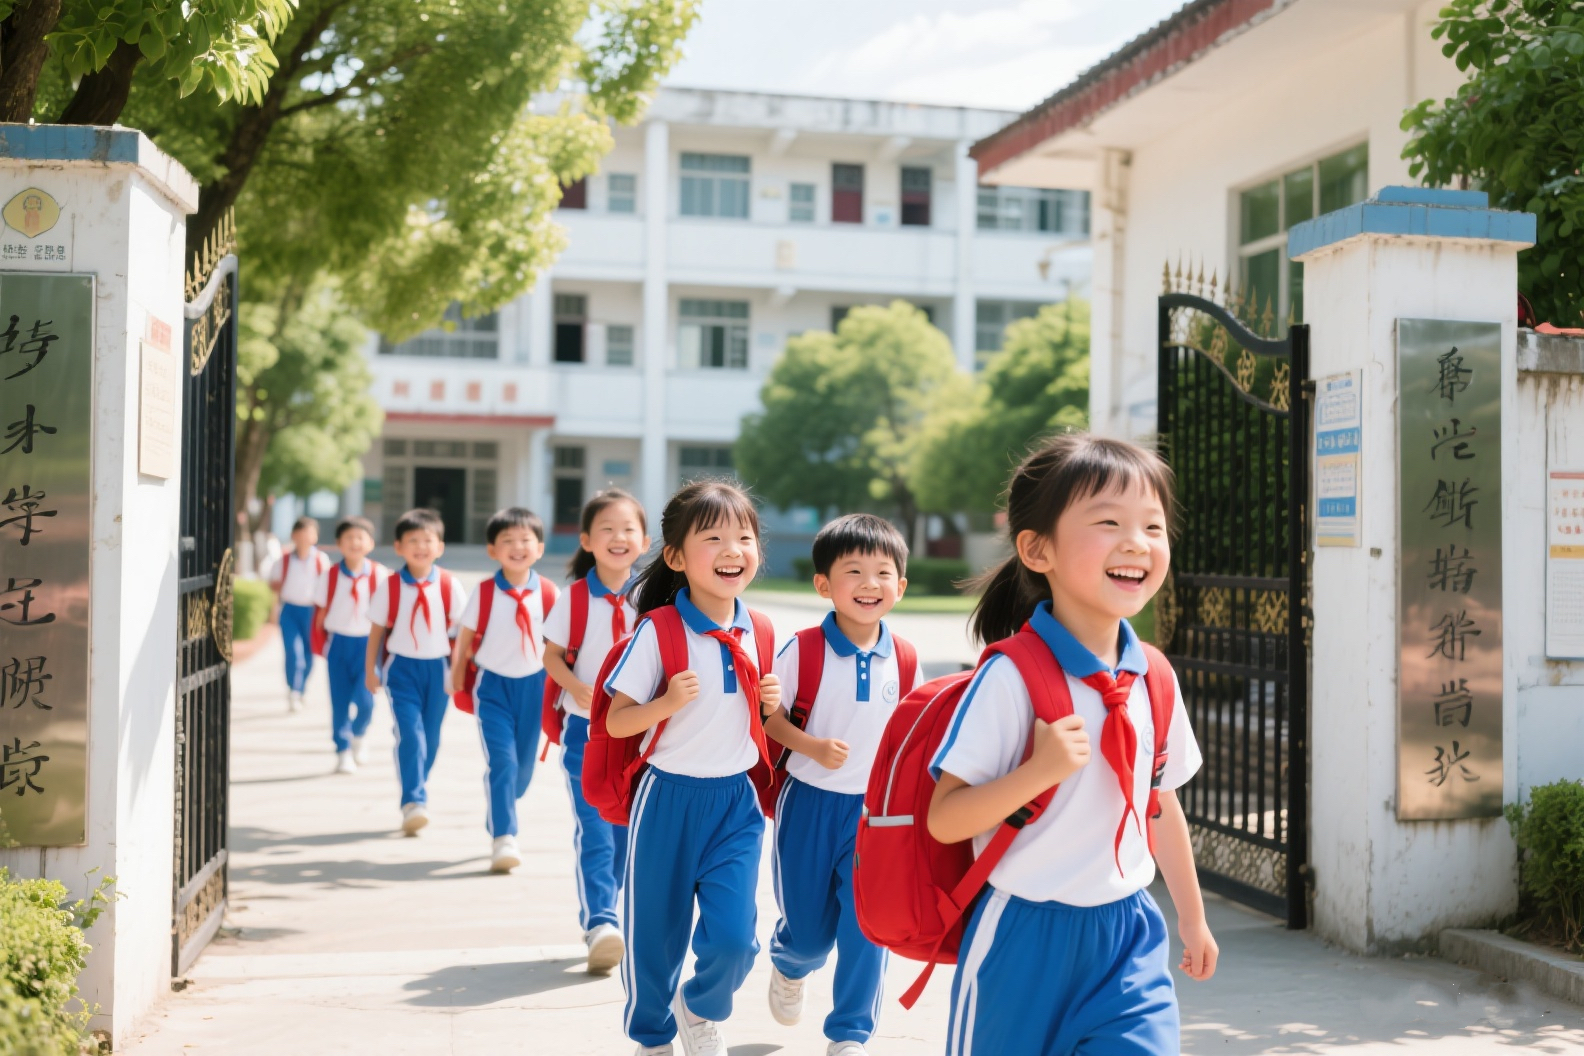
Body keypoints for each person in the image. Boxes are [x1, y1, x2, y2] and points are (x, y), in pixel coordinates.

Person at [927, 433, 1217, 1056]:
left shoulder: (1154, 678)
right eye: (1108, 522)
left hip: (1127, 933)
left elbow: (1158, 803)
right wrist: (1039, 771)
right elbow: (947, 818)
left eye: (1153, 526)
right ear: (1037, 549)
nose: (1136, 542)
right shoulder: (1011, 677)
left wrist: (1191, 919)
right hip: (1021, 936)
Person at [604, 480, 780, 1056]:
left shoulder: (761, 629)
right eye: (714, 538)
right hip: (667, 801)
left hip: (735, 802)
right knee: (655, 935)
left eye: (744, 537)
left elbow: (757, 718)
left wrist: (771, 705)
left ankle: (699, 1007)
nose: (733, 550)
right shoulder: (658, 631)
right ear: (676, 557)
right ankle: (652, 1037)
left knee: (736, 940)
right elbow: (617, 723)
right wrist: (665, 704)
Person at [760, 514, 920, 1056]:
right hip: (807, 806)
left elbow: (913, 733)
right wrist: (813, 748)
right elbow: (770, 720)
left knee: (868, 928)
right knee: (808, 933)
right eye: (854, 571)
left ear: (900, 585)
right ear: (824, 585)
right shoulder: (801, 650)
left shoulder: (905, 658)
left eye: (882, 572)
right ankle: (789, 962)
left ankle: (850, 1034)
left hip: (874, 816)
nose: (869, 584)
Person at [542, 488, 650, 973]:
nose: (618, 537)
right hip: (585, 733)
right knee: (595, 831)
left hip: (640, 737)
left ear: (645, 540)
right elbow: (550, 656)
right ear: (586, 540)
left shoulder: (654, 598)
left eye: (628, 529)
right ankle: (601, 922)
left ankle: (617, 911)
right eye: (606, 529)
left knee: (628, 833)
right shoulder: (573, 598)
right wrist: (576, 686)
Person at [449, 507, 552, 873]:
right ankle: (504, 837)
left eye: (525, 540)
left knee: (522, 770)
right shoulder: (485, 592)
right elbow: (465, 637)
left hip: (535, 686)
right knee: (503, 762)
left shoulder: (550, 593)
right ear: (493, 549)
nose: (517, 547)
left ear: (539, 548)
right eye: (507, 540)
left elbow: (560, 645)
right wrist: (457, 673)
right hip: (492, 686)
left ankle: (500, 800)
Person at [367, 508, 460, 836]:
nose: (421, 546)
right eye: (413, 541)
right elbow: (377, 632)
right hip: (402, 669)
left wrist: (458, 672)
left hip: (439, 668)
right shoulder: (389, 586)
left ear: (440, 546)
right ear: (399, 547)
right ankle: (413, 800)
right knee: (410, 733)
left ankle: (416, 781)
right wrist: (371, 670)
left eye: (427, 540)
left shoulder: (449, 585)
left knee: (430, 738)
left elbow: (462, 635)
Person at [313, 516, 384, 774]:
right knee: (340, 700)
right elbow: (320, 613)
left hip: (368, 645)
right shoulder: (330, 576)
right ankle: (342, 749)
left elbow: (387, 616)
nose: (355, 542)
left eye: (360, 537)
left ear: (370, 543)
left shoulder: (379, 574)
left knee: (366, 701)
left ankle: (359, 734)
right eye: (349, 538)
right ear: (339, 544)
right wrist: (321, 643)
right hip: (339, 643)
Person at [272, 516, 330, 713]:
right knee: (293, 652)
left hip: (312, 612)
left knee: (309, 653)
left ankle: (302, 687)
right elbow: (274, 585)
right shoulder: (284, 560)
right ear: (293, 536)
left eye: (309, 534)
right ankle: (294, 690)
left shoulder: (321, 560)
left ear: (315, 537)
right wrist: (273, 610)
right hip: (290, 610)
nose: (305, 538)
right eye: (301, 534)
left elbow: (327, 590)